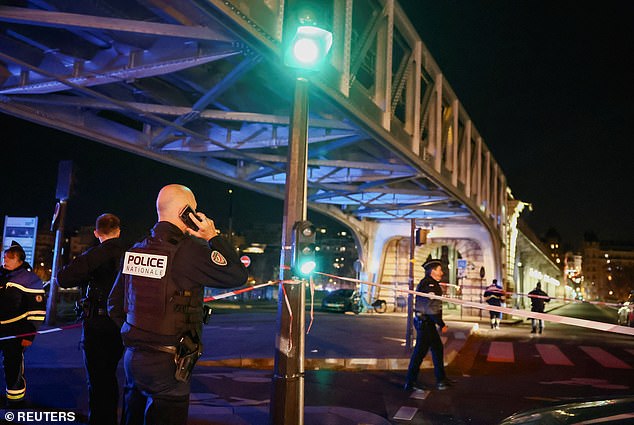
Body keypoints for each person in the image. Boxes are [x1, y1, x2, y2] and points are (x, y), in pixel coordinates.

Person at [108, 184, 248, 425]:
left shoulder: (136, 249)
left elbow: (114, 304)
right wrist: (212, 236)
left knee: (131, 417)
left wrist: (138, 333)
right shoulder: (188, 251)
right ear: (187, 213)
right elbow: (237, 275)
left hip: (133, 357)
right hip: (169, 362)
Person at [57, 213, 126, 425]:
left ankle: (100, 420)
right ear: (119, 231)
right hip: (123, 324)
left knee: (97, 378)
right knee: (111, 375)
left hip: (97, 325)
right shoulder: (131, 254)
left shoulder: (94, 255)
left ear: (97, 233)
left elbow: (64, 278)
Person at [0, 241, 46, 406]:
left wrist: (29, 335)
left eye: (10, 258)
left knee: (12, 366)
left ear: (20, 261)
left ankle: (15, 401)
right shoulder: (2, 275)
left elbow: (37, 312)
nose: (6, 261)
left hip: (16, 330)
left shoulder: (30, 280)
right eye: (5, 257)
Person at [405, 259, 454, 391]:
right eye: (439, 270)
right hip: (426, 323)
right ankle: (411, 382)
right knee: (420, 353)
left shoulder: (428, 283)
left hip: (426, 322)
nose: (442, 272)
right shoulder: (430, 285)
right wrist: (441, 324)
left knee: (437, 349)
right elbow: (431, 308)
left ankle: (441, 379)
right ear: (433, 271)